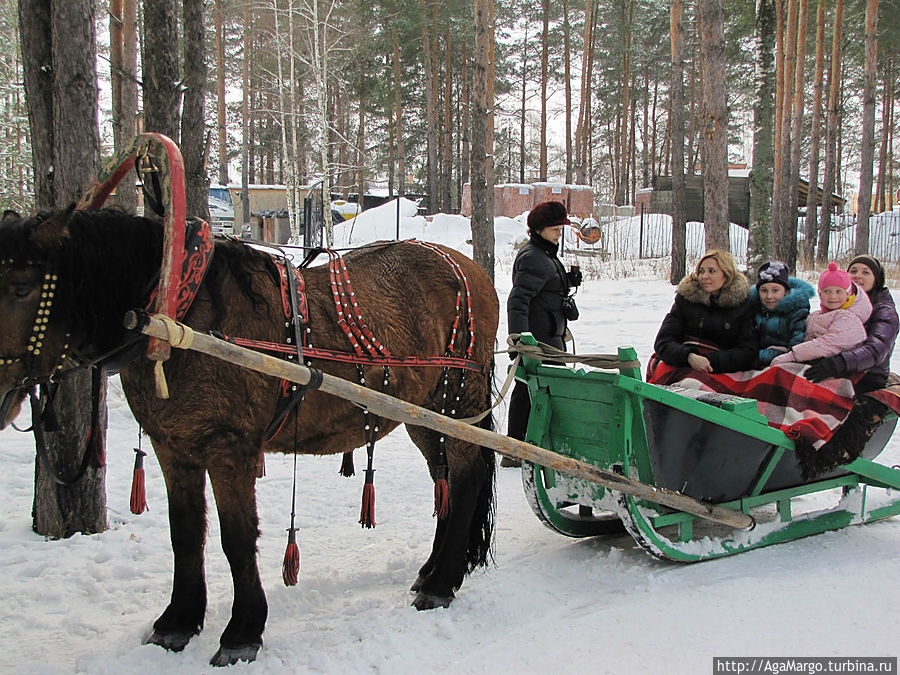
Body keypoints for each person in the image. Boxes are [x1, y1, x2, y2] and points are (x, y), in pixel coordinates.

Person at [504, 201, 582, 466]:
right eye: (555, 230)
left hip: (550, 336)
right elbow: (518, 301)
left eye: (560, 229)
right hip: (539, 340)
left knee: (543, 390)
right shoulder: (534, 257)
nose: (559, 235)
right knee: (527, 388)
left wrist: (569, 281)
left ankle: (532, 445)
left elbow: (545, 287)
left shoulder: (545, 254)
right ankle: (515, 449)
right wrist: (520, 340)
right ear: (539, 229)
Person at [651, 249, 757, 377]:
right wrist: (689, 357)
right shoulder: (686, 300)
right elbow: (664, 341)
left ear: (726, 274)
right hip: (684, 363)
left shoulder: (742, 305)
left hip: (723, 368)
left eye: (711, 271)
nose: (704, 276)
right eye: (701, 271)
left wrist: (711, 361)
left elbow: (748, 350)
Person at [804, 255, 899, 392]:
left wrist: (839, 362)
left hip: (866, 377)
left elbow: (875, 350)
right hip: (837, 371)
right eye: (853, 271)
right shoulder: (841, 301)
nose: (857, 276)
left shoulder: (884, 311)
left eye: (865, 272)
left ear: (876, 279)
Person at [772, 262, 872, 367]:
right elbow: (806, 340)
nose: (833, 297)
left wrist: (792, 355)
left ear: (847, 295)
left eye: (838, 292)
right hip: (812, 361)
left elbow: (827, 344)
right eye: (827, 291)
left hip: (835, 369)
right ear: (820, 294)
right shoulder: (816, 315)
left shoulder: (848, 318)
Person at [750, 260, 815, 368]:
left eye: (775, 290)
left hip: (783, 364)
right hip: (753, 360)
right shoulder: (753, 309)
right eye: (764, 291)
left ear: (786, 292)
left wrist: (758, 356)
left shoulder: (798, 313)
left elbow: (796, 349)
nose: (769, 296)